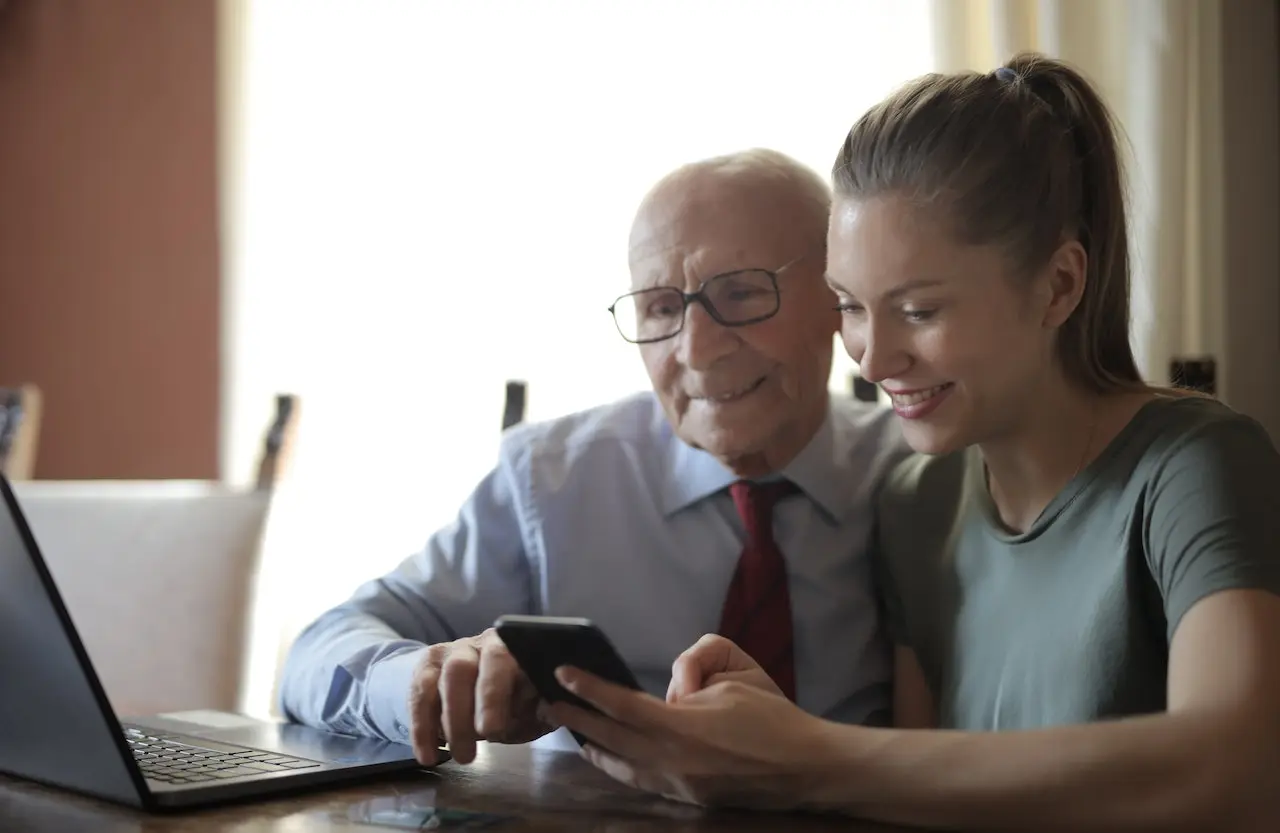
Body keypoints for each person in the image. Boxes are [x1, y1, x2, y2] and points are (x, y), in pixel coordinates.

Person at [543, 53, 1280, 832]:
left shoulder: (1196, 465)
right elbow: (917, 795)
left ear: (1060, 285)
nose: (871, 356)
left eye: (919, 310)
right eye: (850, 306)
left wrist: (805, 754)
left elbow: (1240, 768)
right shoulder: (916, 503)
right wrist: (766, 731)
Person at [278, 148, 909, 768]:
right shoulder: (553, 480)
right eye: (661, 307)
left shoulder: (918, 478)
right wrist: (427, 678)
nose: (696, 350)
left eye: (742, 294)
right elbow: (316, 655)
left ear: (839, 298)